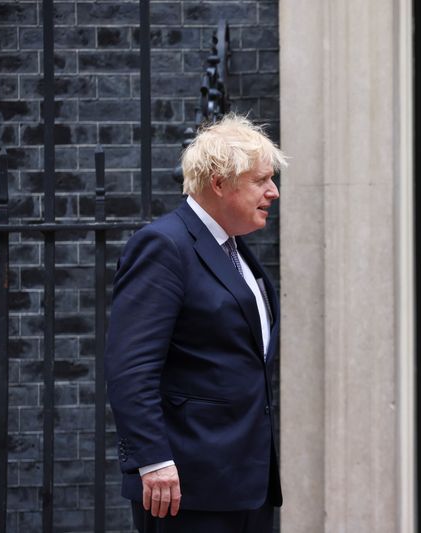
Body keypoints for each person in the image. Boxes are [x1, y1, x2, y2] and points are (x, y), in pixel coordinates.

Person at [105, 113, 286, 532]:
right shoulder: (163, 246)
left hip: (246, 483)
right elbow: (130, 367)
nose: (273, 192)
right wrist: (153, 460)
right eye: (261, 180)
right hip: (184, 488)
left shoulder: (236, 251)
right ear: (220, 183)